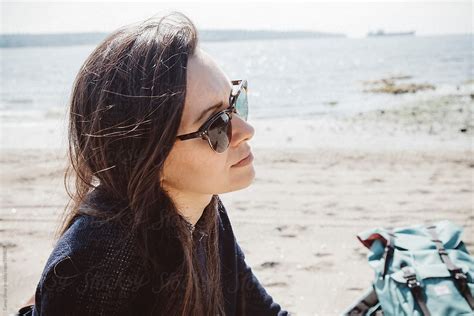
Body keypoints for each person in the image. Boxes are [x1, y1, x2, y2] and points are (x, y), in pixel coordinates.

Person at [18, 11, 288, 316]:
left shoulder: (201, 210)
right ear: (147, 154)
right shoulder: (97, 267)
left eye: (235, 102)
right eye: (216, 125)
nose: (246, 130)